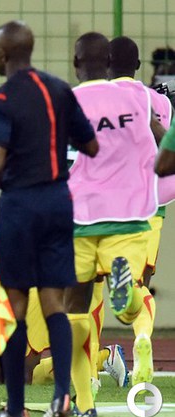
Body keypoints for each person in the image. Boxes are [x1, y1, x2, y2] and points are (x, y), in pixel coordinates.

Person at [0, 21, 98, 417]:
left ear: (2, 54)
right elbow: (91, 144)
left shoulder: (0, 98)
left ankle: (16, 411)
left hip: (19, 206)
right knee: (54, 303)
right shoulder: (60, 90)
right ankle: (62, 395)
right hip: (59, 203)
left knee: (15, 306)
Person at [68, 32, 166, 417]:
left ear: (77, 63)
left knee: (75, 310)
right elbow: (165, 143)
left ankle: (84, 403)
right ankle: (128, 297)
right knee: (130, 302)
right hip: (130, 215)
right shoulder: (139, 99)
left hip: (80, 217)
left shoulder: (66, 102)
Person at [107, 35, 170, 389]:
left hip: (107, 205)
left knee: (95, 289)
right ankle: (142, 338)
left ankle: (90, 375)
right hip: (151, 205)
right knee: (138, 283)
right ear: (138, 66)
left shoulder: (94, 97)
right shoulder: (159, 100)